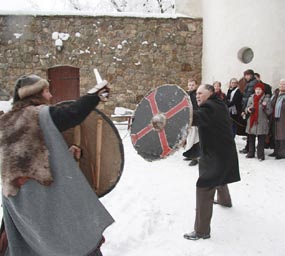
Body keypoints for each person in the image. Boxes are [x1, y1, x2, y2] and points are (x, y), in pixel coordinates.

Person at [0, 74, 114, 256]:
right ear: (35, 95)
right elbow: (74, 113)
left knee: (29, 247)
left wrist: (65, 155)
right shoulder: (38, 115)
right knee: (69, 241)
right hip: (44, 202)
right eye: (46, 91)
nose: (50, 96)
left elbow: (29, 157)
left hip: (18, 205)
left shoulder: (5, 122)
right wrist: (96, 94)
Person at [183, 84, 240, 240]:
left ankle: (201, 231)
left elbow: (194, 117)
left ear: (210, 93)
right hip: (223, 152)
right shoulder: (218, 103)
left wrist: (174, 116)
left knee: (204, 186)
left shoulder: (210, 107)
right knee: (220, 176)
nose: (197, 96)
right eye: (196, 94)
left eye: (201, 93)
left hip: (217, 154)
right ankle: (225, 200)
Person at [244, 82, 272, 161]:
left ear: (262, 90)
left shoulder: (266, 99)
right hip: (252, 122)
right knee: (251, 138)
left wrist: (264, 107)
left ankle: (260, 155)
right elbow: (246, 108)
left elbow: (269, 111)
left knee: (261, 140)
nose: (258, 91)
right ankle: (251, 153)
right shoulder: (251, 98)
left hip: (261, 122)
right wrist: (248, 110)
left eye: (259, 89)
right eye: (256, 89)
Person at [240, 69, 258, 154]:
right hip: (249, 108)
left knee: (250, 130)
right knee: (249, 130)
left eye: (248, 75)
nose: (246, 77)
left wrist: (244, 109)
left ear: (251, 75)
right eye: (245, 75)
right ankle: (249, 148)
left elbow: (247, 98)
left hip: (250, 109)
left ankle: (249, 148)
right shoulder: (250, 83)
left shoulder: (252, 83)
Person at [182, 79, 200, 166]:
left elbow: (197, 108)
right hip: (188, 120)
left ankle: (195, 158)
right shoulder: (187, 94)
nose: (191, 86)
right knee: (189, 138)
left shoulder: (196, 95)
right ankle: (190, 154)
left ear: (196, 86)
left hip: (195, 120)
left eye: (192, 85)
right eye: (189, 85)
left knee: (194, 139)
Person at [273, 79, 285, 159]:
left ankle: (281, 153)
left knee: (282, 135)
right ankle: (276, 151)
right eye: (280, 84)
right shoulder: (276, 93)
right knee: (275, 134)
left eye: (283, 84)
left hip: (282, 117)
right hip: (275, 117)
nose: (281, 85)